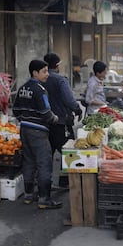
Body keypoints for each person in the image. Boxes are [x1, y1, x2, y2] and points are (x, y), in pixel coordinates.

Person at [12, 60, 62, 209]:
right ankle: (44, 199)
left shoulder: (22, 88)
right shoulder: (40, 90)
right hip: (38, 132)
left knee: (28, 162)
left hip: (24, 130)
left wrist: (25, 120)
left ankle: (28, 196)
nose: (47, 74)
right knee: (44, 163)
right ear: (35, 73)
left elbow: (15, 110)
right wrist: (55, 119)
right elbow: (46, 113)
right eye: (44, 71)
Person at [43, 53, 83, 188]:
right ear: (57, 65)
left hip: (44, 122)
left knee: (47, 153)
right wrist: (77, 109)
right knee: (68, 150)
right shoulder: (60, 80)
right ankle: (64, 182)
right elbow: (69, 100)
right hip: (60, 122)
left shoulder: (40, 79)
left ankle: (44, 184)